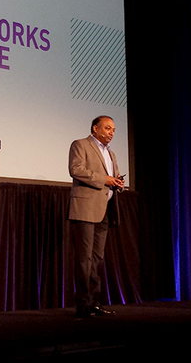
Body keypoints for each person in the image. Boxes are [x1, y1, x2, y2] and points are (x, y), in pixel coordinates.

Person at [68, 115, 124, 318]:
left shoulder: (111, 153)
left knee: (97, 259)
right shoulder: (80, 145)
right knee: (85, 259)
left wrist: (117, 182)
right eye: (108, 128)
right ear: (95, 128)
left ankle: (94, 303)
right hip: (85, 208)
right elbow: (76, 169)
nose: (111, 132)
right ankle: (83, 305)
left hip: (105, 209)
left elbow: (112, 177)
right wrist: (105, 179)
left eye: (114, 130)